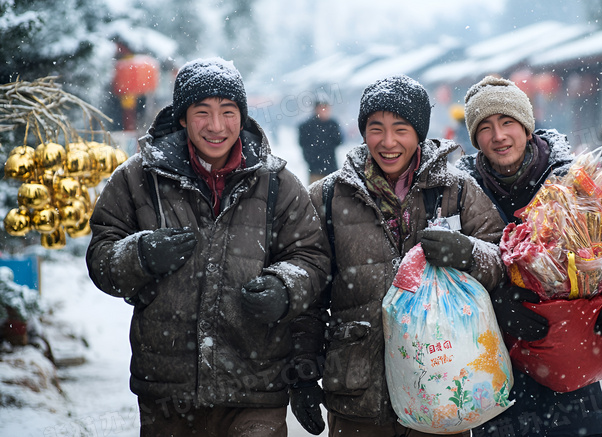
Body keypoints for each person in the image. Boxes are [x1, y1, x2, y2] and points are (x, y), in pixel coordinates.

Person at [86, 57, 331, 437]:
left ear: (243, 115)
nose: (216, 126)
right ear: (182, 117)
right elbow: (102, 257)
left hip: (256, 387)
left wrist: (285, 287)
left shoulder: (277, 184)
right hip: (168, 390)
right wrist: (140, 255)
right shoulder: (139, 178)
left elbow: (312, 258)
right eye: (202, 112)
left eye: (228, 112)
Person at [456, 76, 602, 437]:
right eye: (485, 127)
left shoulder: (578, 181)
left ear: (527, 128)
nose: (498, 136)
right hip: (494, 385)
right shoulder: (460, 195)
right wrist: (494, 304)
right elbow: (445, 279)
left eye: (507, 122)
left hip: (574, 389)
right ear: (475, 138)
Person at [301, 75, 507, 437]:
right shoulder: (329, 197)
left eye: (401, 128)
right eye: (376, 128)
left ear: (420, 133)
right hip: (359, 394)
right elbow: (308, 290)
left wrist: (469, 254)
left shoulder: (456, 189)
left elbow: (504, 261)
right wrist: (302, 370)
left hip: (444, 386)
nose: (389, 141)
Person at [298, 100, 343, 184]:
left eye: (327, 109)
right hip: (315, 169)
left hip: (331, 167)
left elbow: (339, 141)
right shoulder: (307, 126)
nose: (325, 111)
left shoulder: (332, 124)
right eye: (322, 109)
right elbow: (303, 144)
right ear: (316, 109)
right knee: (315, 194)